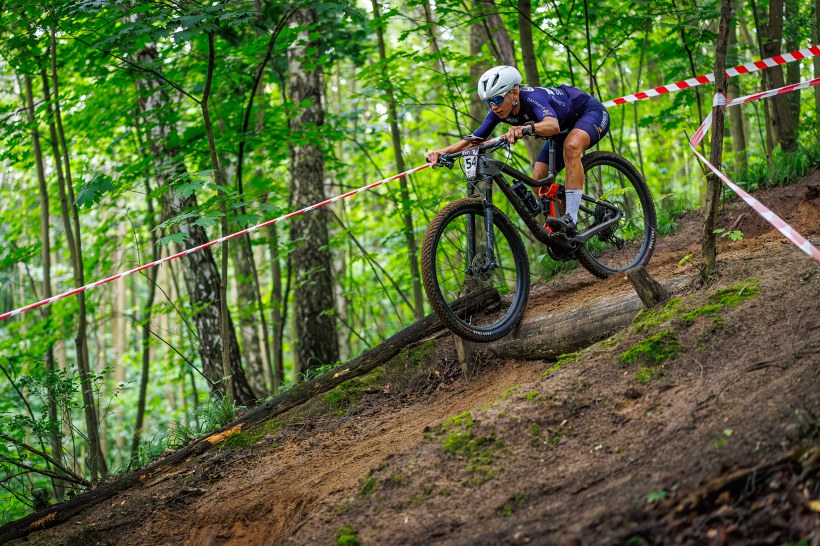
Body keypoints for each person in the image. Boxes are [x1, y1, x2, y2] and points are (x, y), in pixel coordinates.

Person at [426, 65, 610, 236]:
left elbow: (552, 125)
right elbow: (475, 139)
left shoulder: (532, 97)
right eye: (489, 102)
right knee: (538, 179)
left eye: (497, 99)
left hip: (588, 113)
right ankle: (565, 234)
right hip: (562, 128)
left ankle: (571, 218)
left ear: (514, 93)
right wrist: (443, 152)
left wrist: (525, 128)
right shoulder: (497, 111)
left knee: (571, 146)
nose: (493, 106)